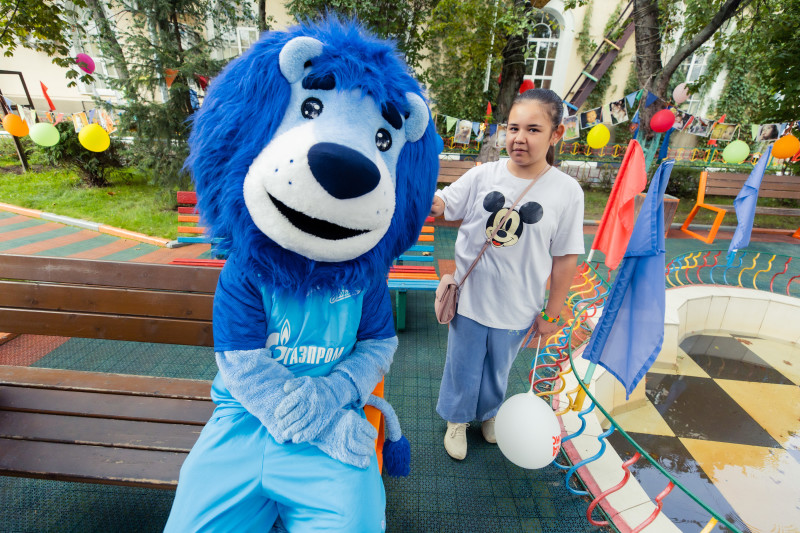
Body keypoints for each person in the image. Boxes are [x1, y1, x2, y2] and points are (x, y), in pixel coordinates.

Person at [429, 88, 585, 460]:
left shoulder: (566, 191)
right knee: (462, 365)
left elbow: (565, 257)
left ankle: (488, 414)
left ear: (556, 134)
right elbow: (444, 204)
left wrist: (553, 310)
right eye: (513, 128)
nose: (519, 138)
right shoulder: (484, 174)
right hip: (470, 298)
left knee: (499, 369)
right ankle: (457, 419)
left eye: (533, 129)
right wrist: (423, 193)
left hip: (519, 305)